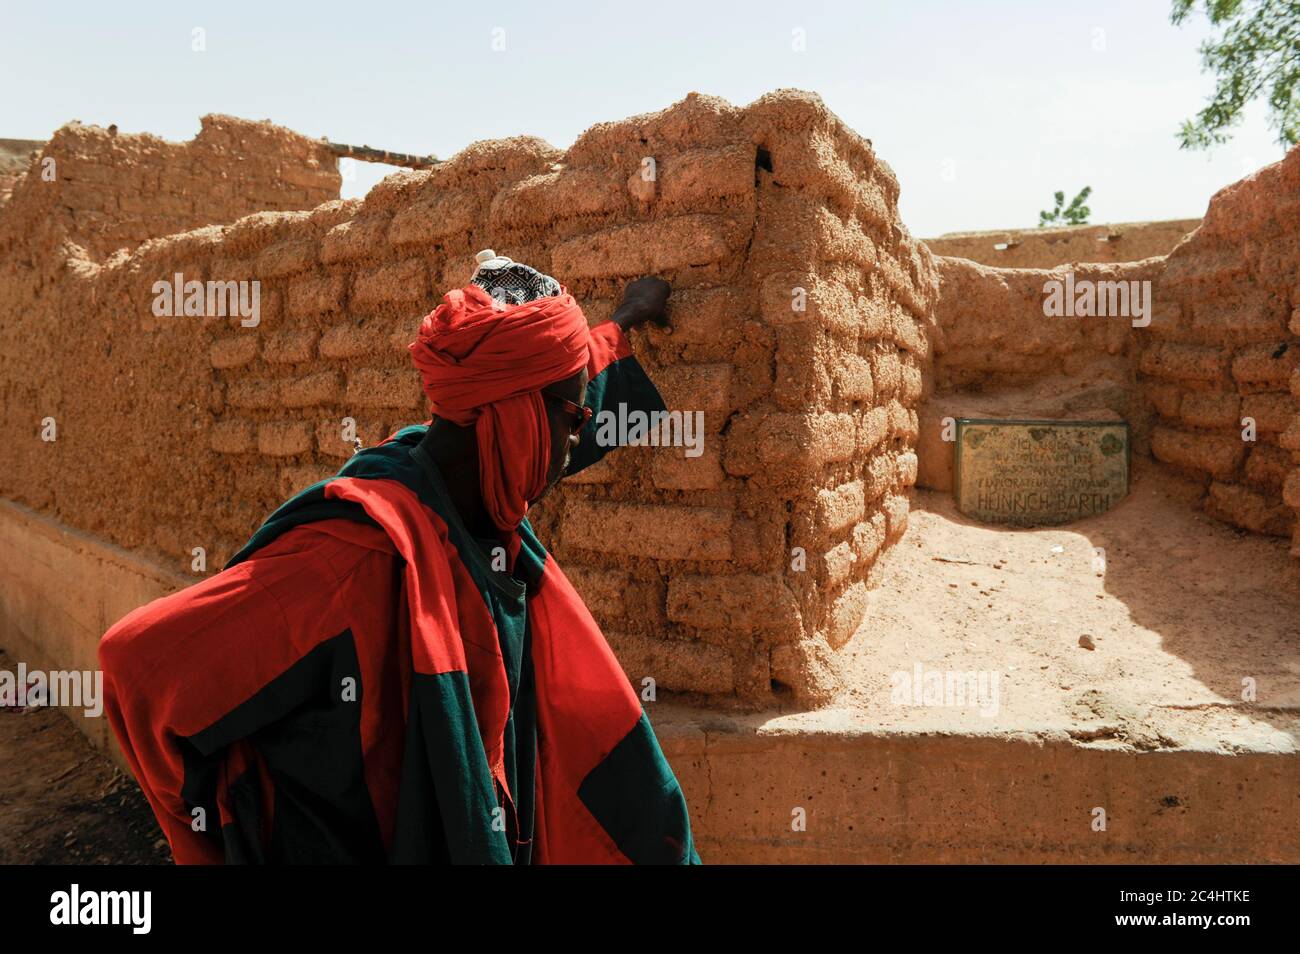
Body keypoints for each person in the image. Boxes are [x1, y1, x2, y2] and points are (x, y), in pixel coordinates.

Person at [98, 253, 701, 864]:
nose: (581, 439)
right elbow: (135, 664)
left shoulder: (478, 475)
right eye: (574, 420)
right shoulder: (349, 562)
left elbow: (567, 373)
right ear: (515, 418)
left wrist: (625, 319)